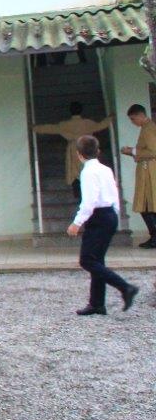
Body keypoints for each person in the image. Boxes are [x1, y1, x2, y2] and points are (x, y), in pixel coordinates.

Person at [68, 135, 139, 315]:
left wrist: (77, 222)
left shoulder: (88, 172)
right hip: (109, 214)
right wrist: (115, 212)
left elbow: (89, 201)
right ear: (98, 151)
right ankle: (97, 303)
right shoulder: (106, 169)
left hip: (98, 216)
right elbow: (114, 193)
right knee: (97, 259)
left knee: (87, 260)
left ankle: (125, 287)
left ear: (79, 154)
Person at [33, 102, 112, 202]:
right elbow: (101, 125)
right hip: (87, 147)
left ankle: (79, 196)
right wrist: (110, 118)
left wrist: (35, 128)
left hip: (73, 149)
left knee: (75, 173)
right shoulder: (88, 123)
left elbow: (51, 128)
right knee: (88, 170)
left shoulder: (65, 124)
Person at [120, 103, 156, 247]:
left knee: (146, 206)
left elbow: (153, 151)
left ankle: (155, 237)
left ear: (140, 115)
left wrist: (132, 151)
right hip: (147, 170)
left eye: (133, 119)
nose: (133, 122)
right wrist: (133, 151)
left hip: (149, 172)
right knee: (147, 206)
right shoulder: (147, 127)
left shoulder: (148, 129)